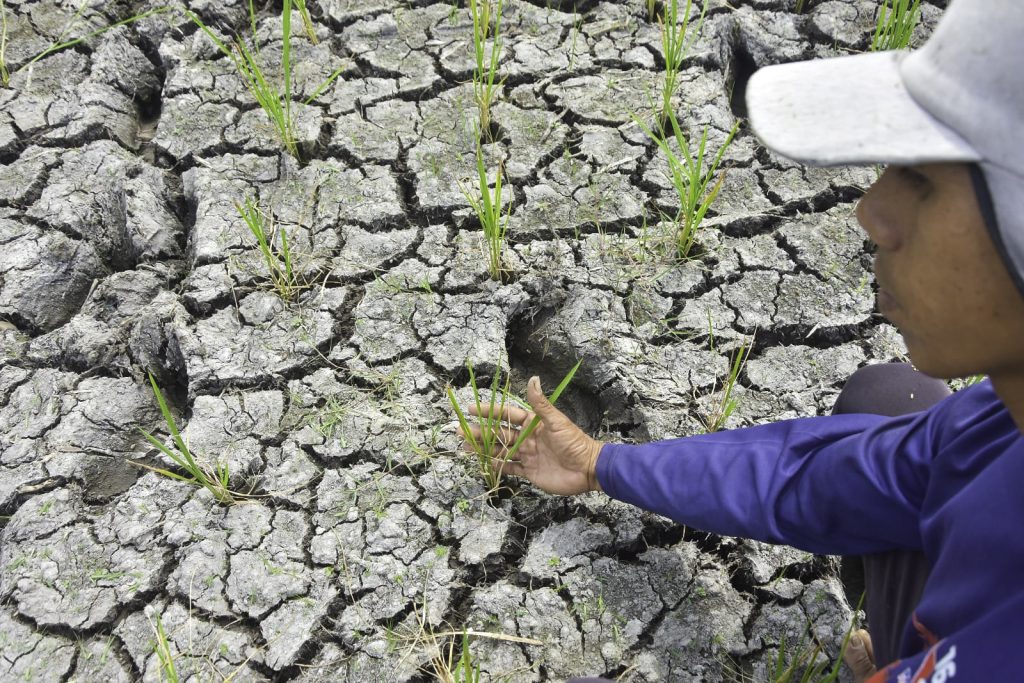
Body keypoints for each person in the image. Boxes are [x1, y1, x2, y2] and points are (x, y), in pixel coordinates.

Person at [457, 0, 1024, 680]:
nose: (871, 212)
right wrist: (602, 462)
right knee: (891, 397)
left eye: (923, 180)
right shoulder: (1004, 423)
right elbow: (824, 476)